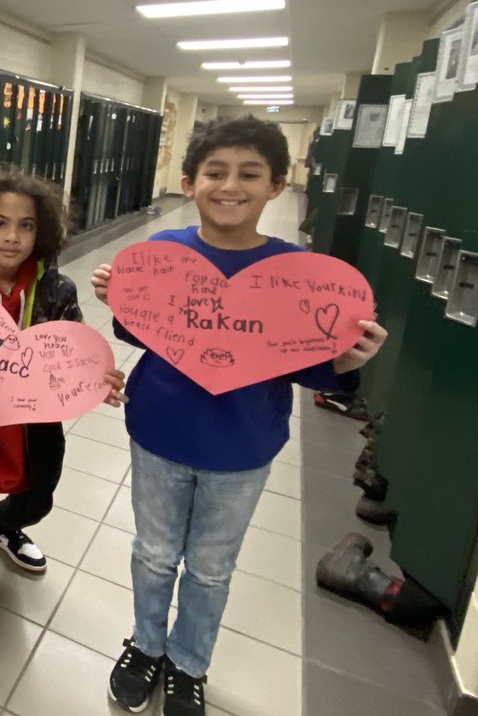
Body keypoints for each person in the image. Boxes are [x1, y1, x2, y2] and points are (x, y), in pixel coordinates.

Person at [91, 115, 387, 716]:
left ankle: (188, 663)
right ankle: (146, 645)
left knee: (210, 568)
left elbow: (307, 367)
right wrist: (118, 303)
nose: (230, 186)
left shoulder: (300, 276)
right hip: (159, 433)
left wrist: (345, 360)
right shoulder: (163, 254)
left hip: (242, 447)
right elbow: (147, 335)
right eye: (215, 172)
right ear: (189, 181)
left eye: (250, 174)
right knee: (153, 553)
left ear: (277, 184)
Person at [0, 167, 127, 716]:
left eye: (26, 226)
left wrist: (99, 379)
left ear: (43, 232)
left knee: (37, 500)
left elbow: (75, 351)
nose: (12, 236)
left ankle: (5, 524)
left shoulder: (56, 290)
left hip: (27, 433)